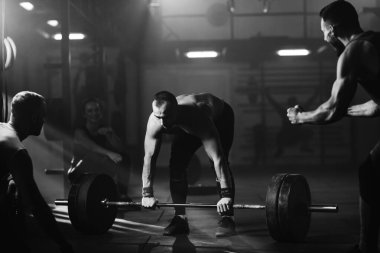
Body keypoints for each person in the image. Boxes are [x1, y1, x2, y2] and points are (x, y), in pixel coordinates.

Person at [286, 1, 380, 252]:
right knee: (373, 170)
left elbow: (331, 110)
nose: (323, 36)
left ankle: (366, 248)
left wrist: (300, 118)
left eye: (322, 30)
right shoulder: (374, 42)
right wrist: (347, 112)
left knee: (371, 173)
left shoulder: (354, 51)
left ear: (332, 29)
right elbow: (376, 106)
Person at [141, 91, 236, 237]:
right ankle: (180, 219)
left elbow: (218, 159)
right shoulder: (156, 121)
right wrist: (147, 193)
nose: (162, 124)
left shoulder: (198, 117)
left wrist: (226, 195)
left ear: (176, 110)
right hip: (183, 125)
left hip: (220, 118)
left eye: (165, 117)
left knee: (216, 163)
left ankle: (227, 218)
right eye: (158, 117)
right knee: (176, 165)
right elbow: (149, 157)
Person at [0, 91, 74, 252]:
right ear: (34, 118)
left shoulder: (2, 131)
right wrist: (63, 243)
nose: (44, 120)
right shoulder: (17, 152)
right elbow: (36, 205)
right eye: (43, 115)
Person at [67, 97, 131, 201]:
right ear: (84, 114)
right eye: (90, 111)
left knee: (124, 158)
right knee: (95, 156)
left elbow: (120, 149)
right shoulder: (79, 131)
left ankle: (122, 194)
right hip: (78, 170)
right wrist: (109, 154)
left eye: (96, 110)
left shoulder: (104, 128)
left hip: (99, 167)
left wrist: (111, 134)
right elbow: (91, 146)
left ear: (101, 112)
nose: (94, 113)